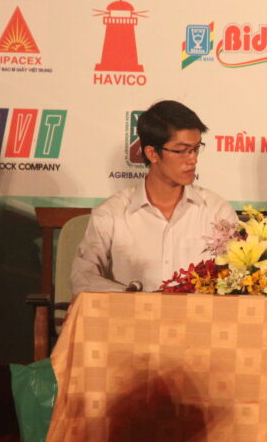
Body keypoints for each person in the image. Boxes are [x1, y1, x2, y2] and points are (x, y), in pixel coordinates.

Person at [70, 100, 237, 296]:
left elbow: (237, 277)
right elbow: (83, 278)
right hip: (130, 314)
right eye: (182, 150)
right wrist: (132, 296)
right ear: (152, 153)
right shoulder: (110, 214)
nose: (193, 159)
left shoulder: (217, 211)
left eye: (196, 148)